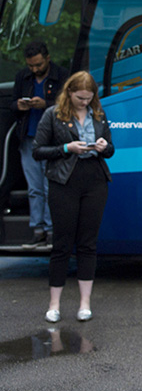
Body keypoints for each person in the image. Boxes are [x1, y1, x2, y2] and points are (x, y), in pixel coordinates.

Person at [33, 71, 114, 323]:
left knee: (88, 243)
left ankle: (84, 304)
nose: (84, 102)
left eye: (89, 98)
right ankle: (54, 304)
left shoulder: (98, 115)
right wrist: (67, 148)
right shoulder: (53, 115)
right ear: (69, 92)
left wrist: (103, 146)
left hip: (95, 179)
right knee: (62, 243)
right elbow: (37, 151)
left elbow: (111, 149)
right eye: (80, 98)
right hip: (64, 181)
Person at [10, 40, 70, 249]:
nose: (34, 69)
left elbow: (69, 105)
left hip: (52, 139)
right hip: (28, 136)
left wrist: (47, 105)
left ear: (47, 59)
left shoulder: (61, 75)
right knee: (34, 187)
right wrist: (18, 105)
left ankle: (52, 229)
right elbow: (12, 104)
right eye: (31, 66)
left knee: (49, 186)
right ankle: (38, 229)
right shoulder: (22, 77)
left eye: (38, 65)